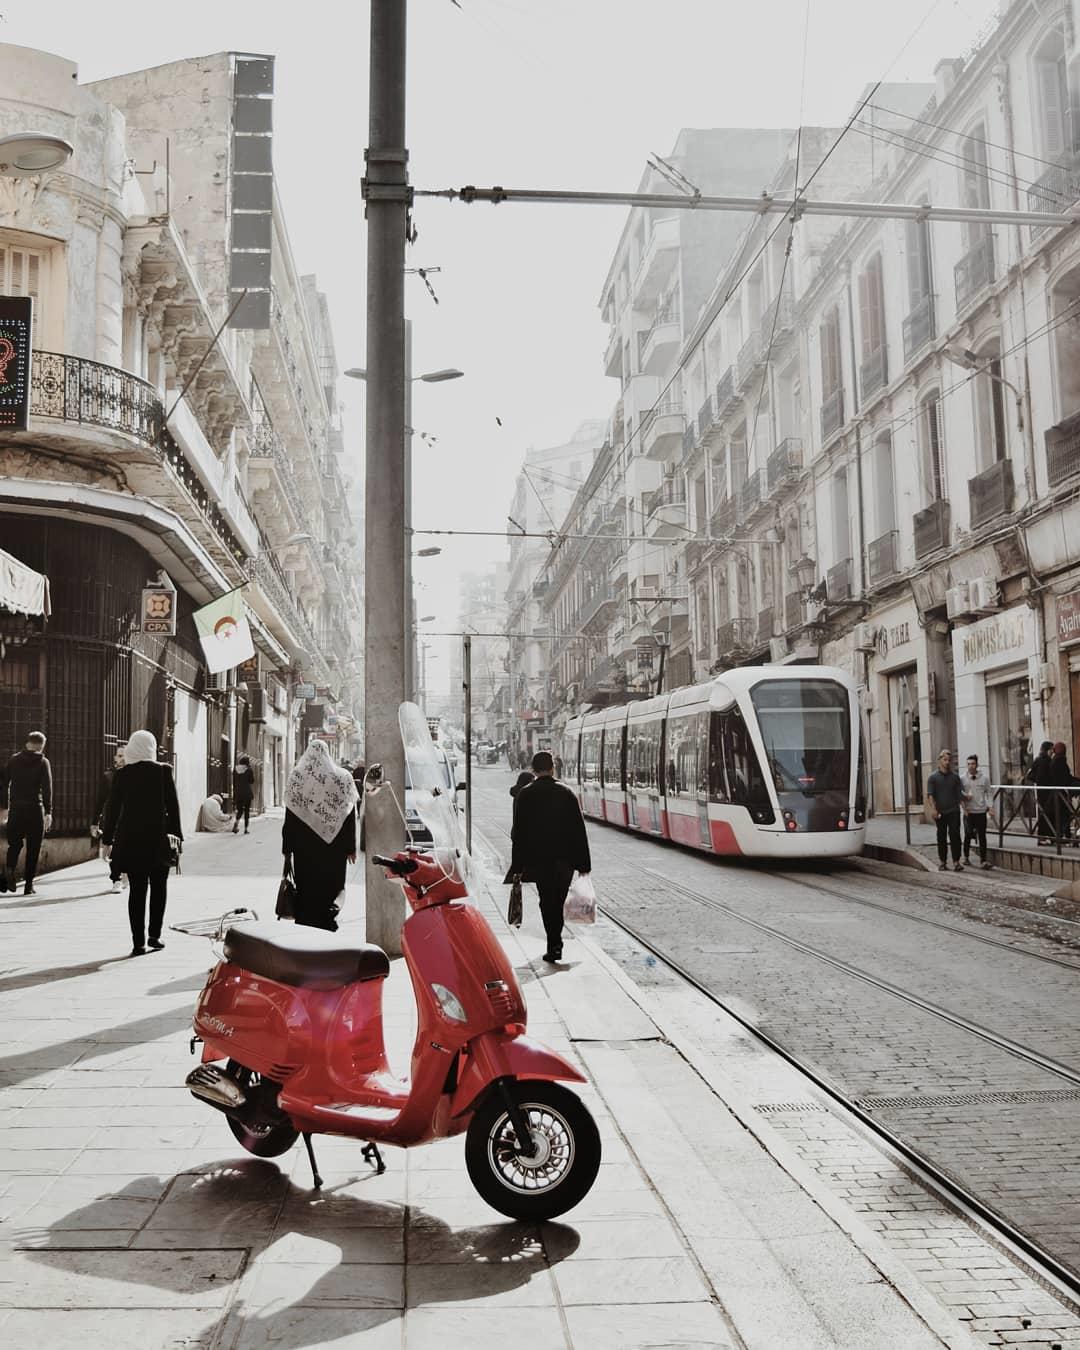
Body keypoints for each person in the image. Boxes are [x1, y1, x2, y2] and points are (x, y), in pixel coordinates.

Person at [101, 730, 182, 956]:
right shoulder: (164, 772)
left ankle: (138, 942)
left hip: (132, 840)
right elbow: (173, 806)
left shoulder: (123, 774)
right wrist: (176, 834)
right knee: (159, 888)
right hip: (158, 839)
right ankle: (154, 936)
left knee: (137, 891)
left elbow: (113, 809)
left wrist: (107, 839)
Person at [507, 750, 591, 964]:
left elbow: (519, 834)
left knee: (546, 901)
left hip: (539, 860)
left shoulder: (525, 794)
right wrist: (584, 864)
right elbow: (578, 831)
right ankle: (555, 942)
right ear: (553, 767)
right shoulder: (567, 793)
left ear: (533, 770)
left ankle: (553, 943)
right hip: (564, 861)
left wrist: (517, 866)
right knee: (559, 900)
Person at [282, 739, 358, 931]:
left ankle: (306, 924)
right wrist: (350, 847)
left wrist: (287, 850)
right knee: (331, 885)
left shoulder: (297, 778)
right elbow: (350, 816)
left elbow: (290, 817)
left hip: (304, 848)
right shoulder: (343, 777)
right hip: (334, 848)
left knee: (307, 887)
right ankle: (328, 920)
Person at [0, 730, 53, 896]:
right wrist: (48, 812)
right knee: (33, 848)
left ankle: (9, 870)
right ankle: (29, 886)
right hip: (35, 809)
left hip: (16, 809)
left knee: (14, 844)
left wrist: (4, 807)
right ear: (41, 746)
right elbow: (47, 789)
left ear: (27, 743)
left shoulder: (14, 760)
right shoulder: (43, 762)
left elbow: (3, 784)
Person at [94, 746, 127, 893]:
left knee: (125, 849)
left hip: (129, 819)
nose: (121, 759)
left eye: (124, 756)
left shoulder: (134, 775)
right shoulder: (108, 776)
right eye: (119, 756)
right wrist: (95, 822)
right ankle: (116, 878)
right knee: (113, 849)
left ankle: (125, 874)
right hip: (113, 818)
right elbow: (99, 801)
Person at [926, 748, 964, 872]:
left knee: (955, 836)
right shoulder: (933, 777)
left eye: (949, 760)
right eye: (945, 759)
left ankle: (956, 861)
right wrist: (933, 809)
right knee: (941, 836)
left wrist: (965, 808)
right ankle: (942, 862)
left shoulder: (955, 777)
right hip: (940, 812)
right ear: (940, 761)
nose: (947, 762)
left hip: (953, 810)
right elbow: (930, 795)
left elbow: (959, 795)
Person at [961, 753, 993, 870]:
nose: (971, 766)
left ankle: (983, 860)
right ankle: (966, 857)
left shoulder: (984, 778)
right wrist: (964, 797)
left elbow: (989, 793)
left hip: (980, 811)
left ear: (977, 764)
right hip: (968, 812)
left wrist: (990, 806)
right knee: (968, 834)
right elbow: (958, 793)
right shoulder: (962, 778)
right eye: (969, 764)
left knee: (982, 836)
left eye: (973, 763)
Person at [1047, 741, 1080, 845]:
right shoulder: (1060, 761)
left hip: (1058, 793)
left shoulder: (1055, 760)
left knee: (1064, 814)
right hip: (1060, 793)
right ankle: (1065, 836)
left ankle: (1063, 836)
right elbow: (1065, 778)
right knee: (1066, 814)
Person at [1029, 740, 1055, 844]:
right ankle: (1048, 837)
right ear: (1047, 750)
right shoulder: (1048, 761)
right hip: (1047, 791)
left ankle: (1043, 837)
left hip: (1040, 791)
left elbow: (1030, 775)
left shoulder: (1037, 760)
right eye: (1051, 750)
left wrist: (1037, 781)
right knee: (1048, 813)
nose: (1052, 752)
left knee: (1043, 813)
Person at [232, 754, 255, 834]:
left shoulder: (235, 769)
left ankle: (237, 823)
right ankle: (245, 829)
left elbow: (234, 782)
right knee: (247, 811)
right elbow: (252, 781)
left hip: (238, 793)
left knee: (240, 810)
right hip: (247, 793)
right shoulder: (249, 770)